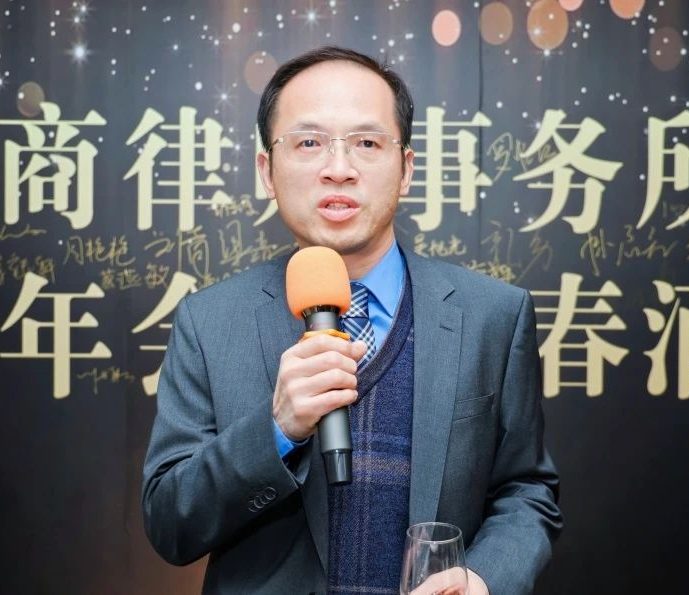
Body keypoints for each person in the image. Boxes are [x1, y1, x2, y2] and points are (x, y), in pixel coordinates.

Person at [142, 46, 562, 595]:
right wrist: (276, 430)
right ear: (267, 171)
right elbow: (171, 524)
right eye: (309, 143)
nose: (338, 169)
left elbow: (526, 491)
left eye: (366, 143)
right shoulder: (210, 322)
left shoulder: (492, 316)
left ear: (406, 169)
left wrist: (485, 579)